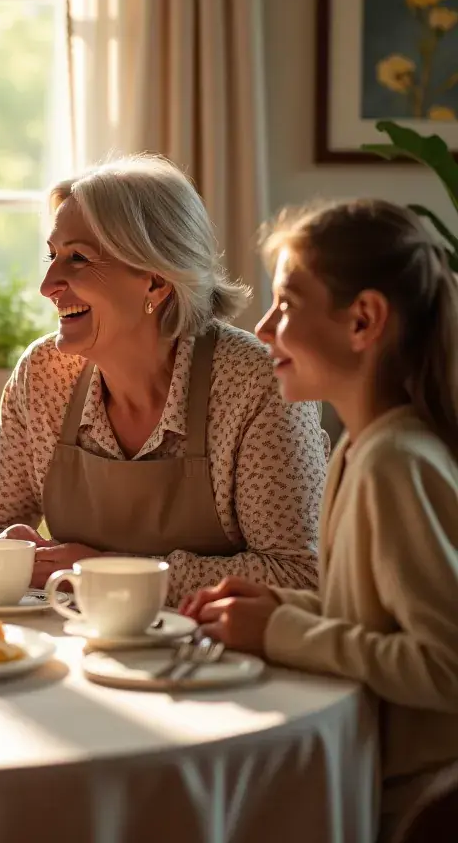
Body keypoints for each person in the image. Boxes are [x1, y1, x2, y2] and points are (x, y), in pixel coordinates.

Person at [180, 199, 458, 840]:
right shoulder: (359, 449)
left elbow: (445, 667)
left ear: (363, 320)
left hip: (420, 808)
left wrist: (278, 631)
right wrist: (281, 605)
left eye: (287, 304)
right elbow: (371, 624)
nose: (263, 327)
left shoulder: (395, 462)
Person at [0, 155, 329, 603]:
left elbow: (299, 574)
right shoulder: (44, 375)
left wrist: (105, 573)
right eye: (52, 256)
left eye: (78, 259)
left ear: (154, 282)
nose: (48, 284)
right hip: (84, 646)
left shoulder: (255, 381)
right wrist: (5, 554)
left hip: (216, 659)